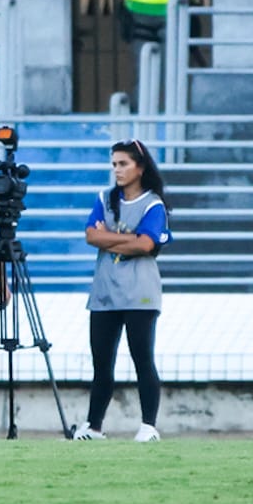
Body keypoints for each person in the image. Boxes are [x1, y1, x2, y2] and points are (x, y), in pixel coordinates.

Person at [74, 140, 172, 442]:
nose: (117, 170)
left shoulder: (153, 204)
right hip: (105, 292)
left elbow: (147, 244)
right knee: (102, 363)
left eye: (123, 164)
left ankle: (148, 426)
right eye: (114, 164)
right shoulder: (104, 198)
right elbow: (91, 236)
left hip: (140, 293)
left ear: (140, 168)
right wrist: (127, 239)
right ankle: (93, 426)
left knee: (142, 358)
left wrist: (110, 237)